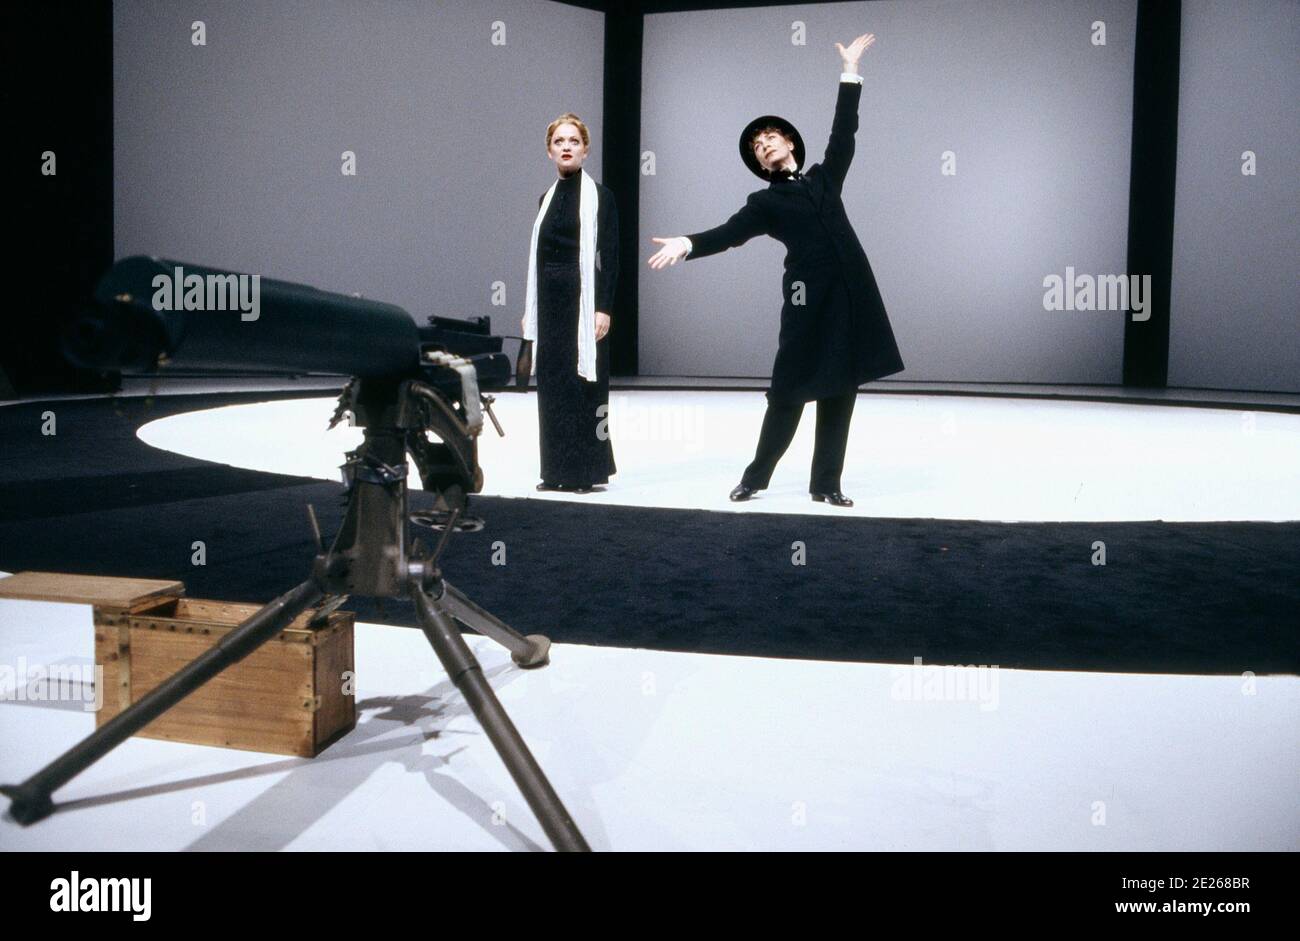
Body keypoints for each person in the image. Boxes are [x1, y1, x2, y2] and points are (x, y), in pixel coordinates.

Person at [648, 33, 903, 508]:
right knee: (787, 391)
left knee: (841, 391)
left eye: (770, 137)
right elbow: (728, 234)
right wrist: (686, 243)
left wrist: (850, 71)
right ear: (760, 164)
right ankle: (756, 477)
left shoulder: (827, 177)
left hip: (849, 297)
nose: (764, 145)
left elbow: (843, 132)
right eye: (757, 146)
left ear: (788, 142)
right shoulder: (765, 201)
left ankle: (826, 484)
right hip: (807, 303)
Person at [521, 112, 619, 493]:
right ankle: (555, 471)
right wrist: (531, 311)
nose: (566, 147)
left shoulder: (601, 197)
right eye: (559, 141)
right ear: (549, 151)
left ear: (585, 150)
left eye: (573, 141)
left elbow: (610, 256)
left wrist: (604, 307)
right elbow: (539, 256)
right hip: (549, 303)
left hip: (584, 299)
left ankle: (585, 472)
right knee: (553, 386)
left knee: (585, 386)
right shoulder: (545, 199)